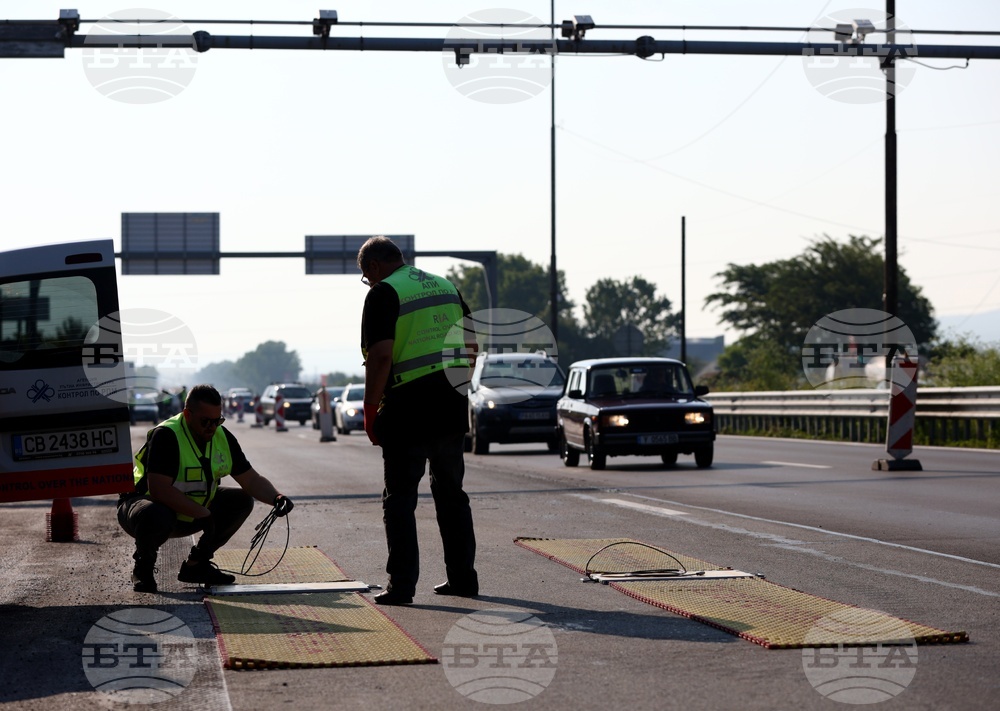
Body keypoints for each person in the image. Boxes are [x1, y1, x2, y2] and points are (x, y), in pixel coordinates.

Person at [358, 235, 479, 605]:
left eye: (366, 276)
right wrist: (459, 386)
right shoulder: (446, 287)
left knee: (399, 500)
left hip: (407, 409)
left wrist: (369, 411)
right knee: (452, 495)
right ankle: (462, 579)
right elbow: (472, 344)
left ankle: (402, 586)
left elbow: (381, 356)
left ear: (374, 266)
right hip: (451, 405)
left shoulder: (383, 293)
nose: (368, 282)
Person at [117, 384, 294, 593]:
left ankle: (197, 565)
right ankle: (143, 569)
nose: (212, 427)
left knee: (241, 501)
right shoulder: (167, 435)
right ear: (187, 415)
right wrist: (203, 514)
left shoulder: (222, 437)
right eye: (205, 421)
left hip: (190, 513)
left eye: (217, 421)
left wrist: (276, 497)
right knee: (155, 513)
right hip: (143, 510)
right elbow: (159, 490)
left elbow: (251, 480)